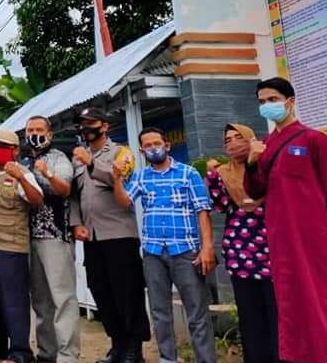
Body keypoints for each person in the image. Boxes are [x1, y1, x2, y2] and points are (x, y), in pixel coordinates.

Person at [244, 77, 327, 363]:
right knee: (290, 299)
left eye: (272, 100)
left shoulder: (314, 139)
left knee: (322, 295)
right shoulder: (264, 145)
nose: (266, 106)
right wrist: (251, 161)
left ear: (290, 101)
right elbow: (255, 189)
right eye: (261, 102)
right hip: (280, 237)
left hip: (316, 235)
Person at [113, 128, 217, 363]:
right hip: (153, 253)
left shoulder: (187, 173)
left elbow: (203, 211)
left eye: (157, 143)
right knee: (160, 313)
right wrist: (116, 178)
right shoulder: (140, 177)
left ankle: (206, 359)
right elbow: (123, 203)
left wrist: (207, 247)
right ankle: (168, 359)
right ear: (142, 150)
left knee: (197, 313)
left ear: (167, 145)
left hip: (186, 252)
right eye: (147, 146)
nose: (153, 148)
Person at [68, 108, 148, 363]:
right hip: (91, 236)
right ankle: (117, 344)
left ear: (105, 126)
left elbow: (121, 182)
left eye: (91, 123)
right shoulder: (78, 158)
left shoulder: (121, 153)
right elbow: (73, 196)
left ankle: (134, 348)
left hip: (119, 235)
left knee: (127, 292)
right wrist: (75, 223)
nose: (86, 128)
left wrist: (92, 163)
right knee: (101, 290)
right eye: (83, 124)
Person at [206, 124, 277, 363]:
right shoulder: (224, 172)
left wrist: (255, 161)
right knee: (250, 316)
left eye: (239, 137)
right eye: (228, 140)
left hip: (273, 250)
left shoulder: (267, 165)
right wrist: (213, 178)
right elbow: (221, 206)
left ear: (251, 139)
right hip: (240, 253)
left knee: (277, 314)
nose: (233, 143)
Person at [16, 114, 79, 363]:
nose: (34, 133)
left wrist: (48, 173)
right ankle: (47, 352)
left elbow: (65, 189)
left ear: (49, 134)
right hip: (28, 236)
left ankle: (68, 355)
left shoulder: (58, 157)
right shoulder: (23, 161)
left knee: (62, 298)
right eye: (30, 129)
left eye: (39, 129)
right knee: (41, 301)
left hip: (54, 235)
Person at [0, 130, 43, 363]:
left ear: (16, 150)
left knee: (14, 300)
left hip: (12, 245)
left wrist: (19, 177)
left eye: (4, 146)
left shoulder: (23, 172)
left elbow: (37, 199)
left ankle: (20, 350)